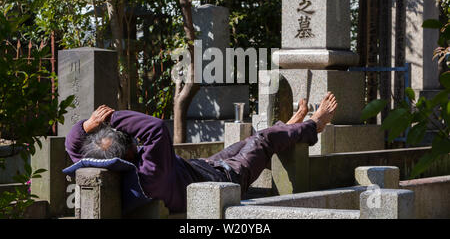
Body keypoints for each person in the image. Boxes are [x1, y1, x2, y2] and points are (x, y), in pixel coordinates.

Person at [65, 92, 337, 213]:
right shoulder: (150, 174)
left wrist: (88, 126)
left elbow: (74, 147)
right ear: (133, 150)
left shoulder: (104, 165)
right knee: (262, 141)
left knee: (249, 141)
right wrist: (111, 120)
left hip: (200, 169)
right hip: (225, 181)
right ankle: (314, 125)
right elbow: (156, 128)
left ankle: (290, 128)